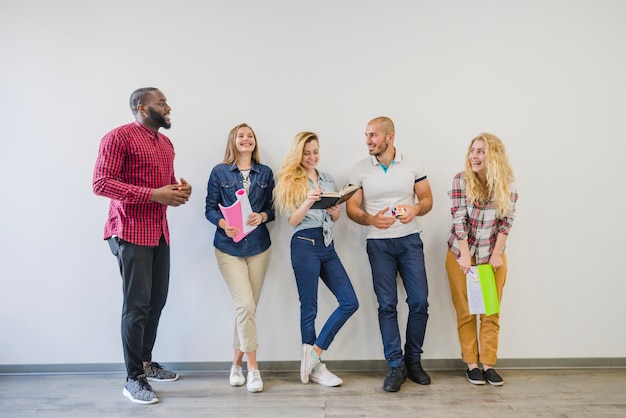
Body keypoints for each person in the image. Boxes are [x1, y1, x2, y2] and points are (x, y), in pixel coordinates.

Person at [93, 87, 192, 405]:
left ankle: (146, 364)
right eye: (161, 102)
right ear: (140, 106)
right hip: (129, 231)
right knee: (135, 308)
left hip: (159, 232)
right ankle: (132, 378)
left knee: (156, 303)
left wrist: (178, 190)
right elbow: (101, 183)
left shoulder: (166, 143)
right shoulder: (117, 137)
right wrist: (154, 195)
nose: (168, 107)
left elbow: (164, 185)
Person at [346, 116, 433, 392]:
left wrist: (415, 210)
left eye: (373, 135)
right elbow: (352, 208)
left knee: (419, 302)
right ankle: (395, 366)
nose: (368, 141)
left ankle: (413, 361)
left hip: (410, 241)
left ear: (389, 137)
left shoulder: (413, 163)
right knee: (387, 305)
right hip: (379, 244)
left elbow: (427, 199)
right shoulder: (359, 169)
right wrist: (371, 220)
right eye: (367, 135)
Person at [273, 132, 359, 387]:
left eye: (315, 152)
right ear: (299, 154)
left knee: (349, 302)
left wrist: (335, 213)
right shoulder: (291, 180)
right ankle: (316, 369)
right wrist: (308, 203)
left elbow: (333, 218)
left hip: (327, 245)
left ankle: (314, 354)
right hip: (304, 245)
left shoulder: (327, 178)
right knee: (309, 307)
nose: (312, 157)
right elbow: (291, 221)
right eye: (307, 152)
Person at [205, 123, 275, 393]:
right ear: (233, 142)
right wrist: (222, 223)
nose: (246, 140)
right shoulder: (219, 171)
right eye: (241, 136)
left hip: (259, 247)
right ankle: (254, 369)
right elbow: (209, 208)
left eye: (250, 136)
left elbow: (272, 208)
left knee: (246, 309)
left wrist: (263, 216)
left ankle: (235, 364)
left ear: (255, 142)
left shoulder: (266, 173)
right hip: (228, 248)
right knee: (245, 306)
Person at [445, 133, 518, 386]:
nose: (474, 156)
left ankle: (488, 364)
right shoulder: (461, 180)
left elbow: (506, 221)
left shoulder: (507, 183)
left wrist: (497, 254)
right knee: (466, 311)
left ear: (493, 156)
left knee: (490, 311)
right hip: (461, 254)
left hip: (492, 255)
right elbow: (458, 218)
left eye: (480, 151)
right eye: (472, 151)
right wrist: (465, 255)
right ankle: (472, 364)